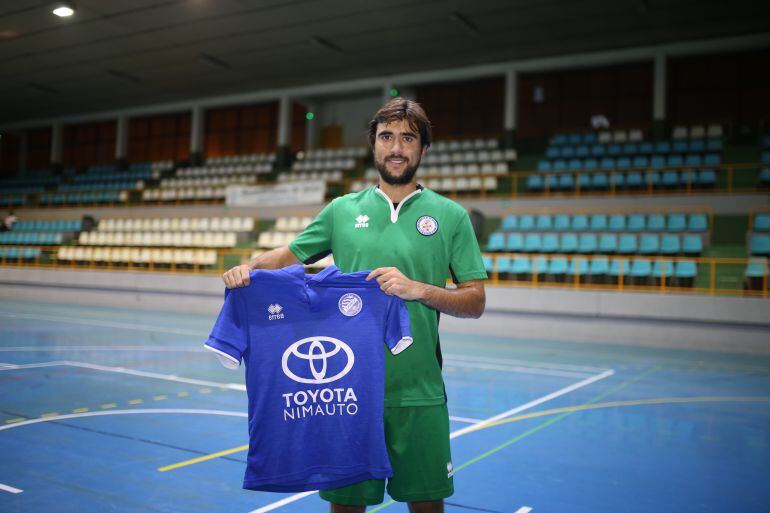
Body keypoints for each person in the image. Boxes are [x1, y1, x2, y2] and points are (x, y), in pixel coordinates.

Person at [222, 97, 487, 513]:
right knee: (347, 508)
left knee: (427, 505)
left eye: (407, 138)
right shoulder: (342, 211)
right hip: (346, 392)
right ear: (373, 145)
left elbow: (474, 301)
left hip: (418, 392)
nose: (396, 147)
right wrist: (247, 270)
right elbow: (288, 255)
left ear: (423, 149)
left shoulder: (450, 217)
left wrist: (418, 289)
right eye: (386, 137)